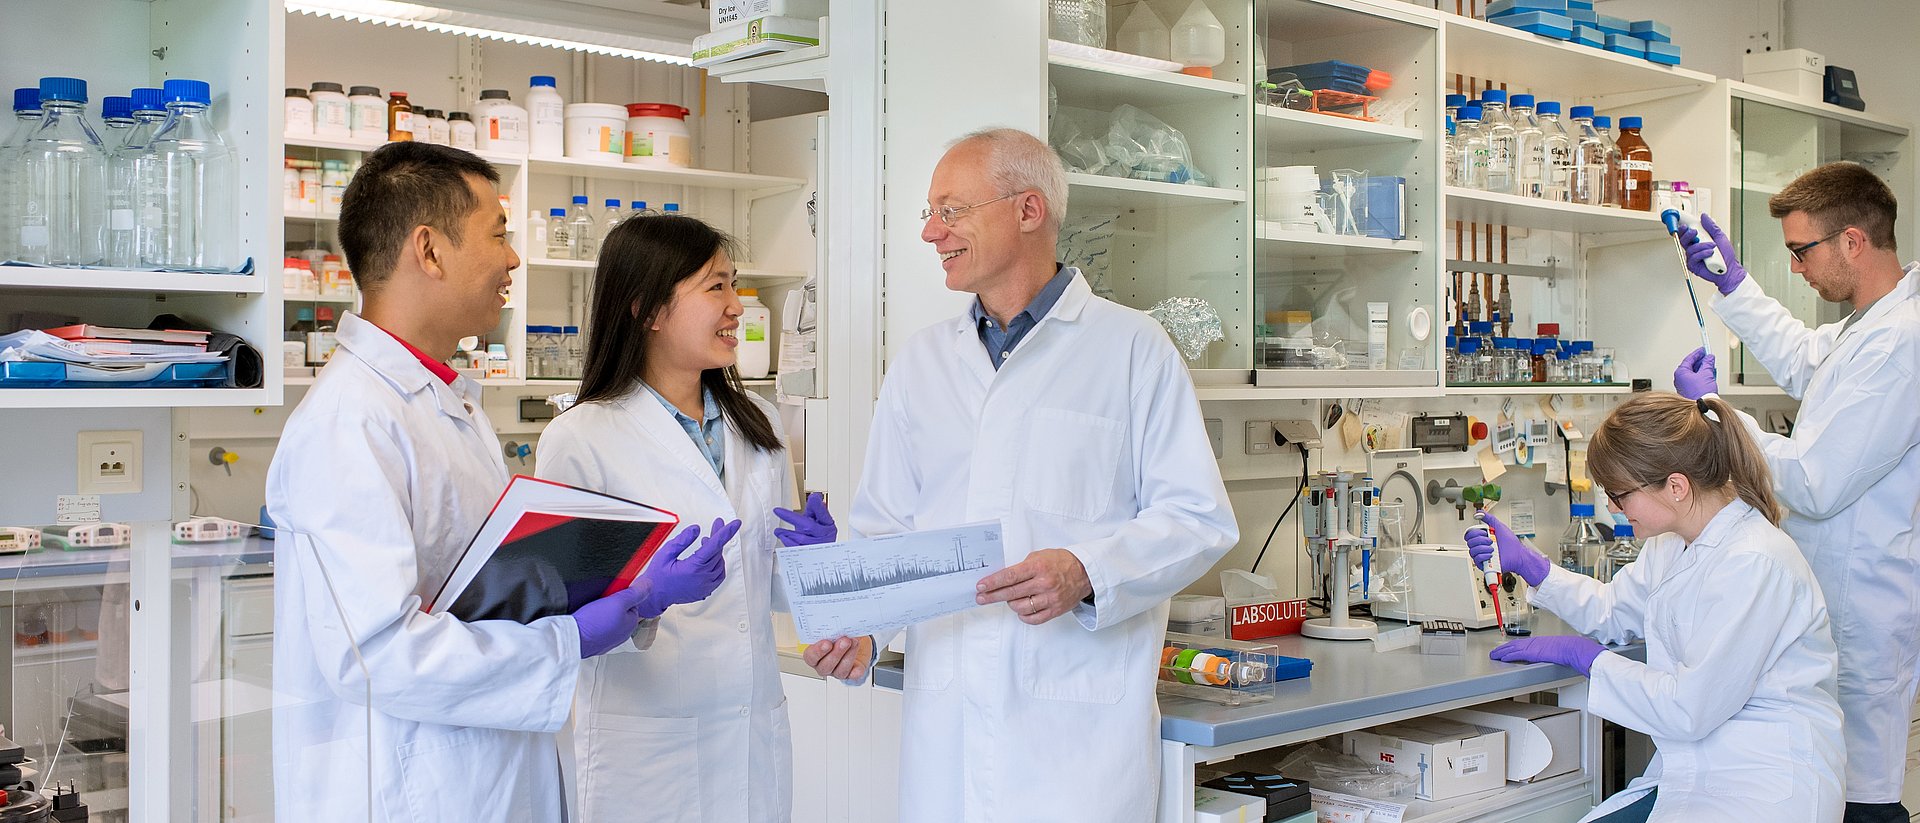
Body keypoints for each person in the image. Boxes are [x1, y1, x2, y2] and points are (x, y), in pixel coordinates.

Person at [266, 142, 727, 823]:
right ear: (429, 250)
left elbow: (478, 593)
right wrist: (568, 638)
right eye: (498, 234)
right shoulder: (349, 421)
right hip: (407, 790)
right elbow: (381, 655)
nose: (513, 258)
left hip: (485, 776)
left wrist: (618, 593)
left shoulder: (446, 403)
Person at [802, 128, 1238, 821]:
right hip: (946, 740)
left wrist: (1087, 568)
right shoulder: (921, 363)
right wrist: (864, 629)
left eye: (951, 210)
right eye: (929, 211)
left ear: (1027, 210)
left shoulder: (1132, 351)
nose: (930, 231)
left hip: (1077, 751)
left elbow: (1198, 517)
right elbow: (887, 529)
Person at [536, 213, 835, 823]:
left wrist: (808, 562)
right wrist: (648, 595)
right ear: (647, 310)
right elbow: (563, 617)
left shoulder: (759, 422)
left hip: (750, 726)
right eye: (715, 287)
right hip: (647, 745)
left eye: (734, 284)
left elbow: (767, 584)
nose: (736, 308)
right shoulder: (581, 437)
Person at [1672, 161, 1920, 823]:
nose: (1798, 268)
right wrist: (1731, 283)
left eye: (1801, 251)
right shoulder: (1866, 328)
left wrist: (1715, 413)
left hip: (1862, 612)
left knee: (1861, 802)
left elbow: (1814, 481)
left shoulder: (1902, 341)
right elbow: (1802, 354)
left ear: (1853, 243)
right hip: (1831, 604)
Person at [1469, 392, 1845, 822]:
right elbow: (1613, 610)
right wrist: (1535, 568)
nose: (1611, 507)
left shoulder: (1754, 561)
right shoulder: (1674, 542)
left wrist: (1590, 659)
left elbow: (1689, 709)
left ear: (1677, 486)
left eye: (1619, 493)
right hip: (1698, 768)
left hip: (1765, 784)